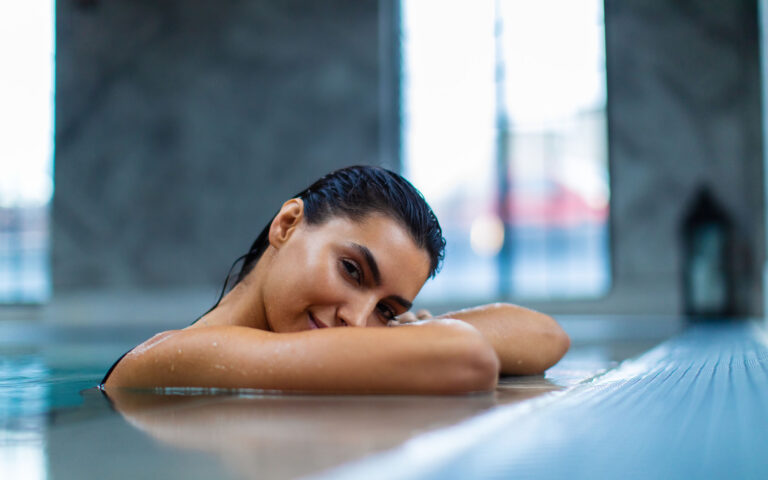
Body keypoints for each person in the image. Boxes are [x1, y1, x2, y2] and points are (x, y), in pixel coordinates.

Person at [101, 165, 570, 394]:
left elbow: (547, 335)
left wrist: (401, 335)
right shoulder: (175, 358)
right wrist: (407, 339)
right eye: (351, 270)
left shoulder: (305, 354)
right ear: (286, 225)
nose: (357, 318)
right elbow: (466, 357)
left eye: (387, 310)